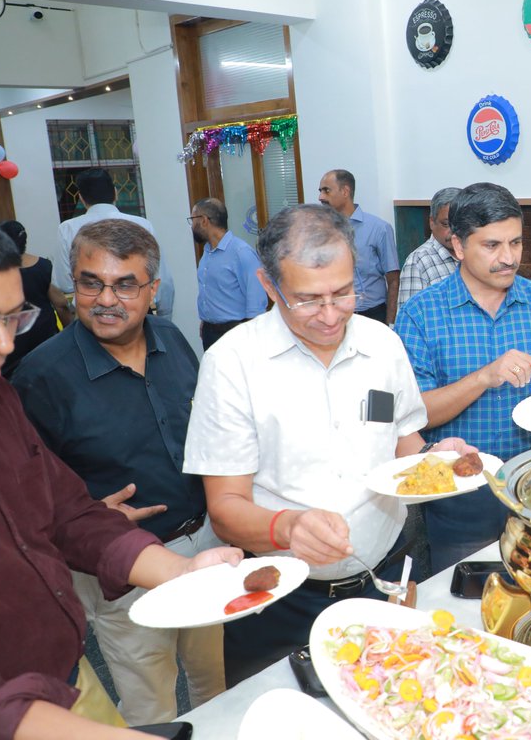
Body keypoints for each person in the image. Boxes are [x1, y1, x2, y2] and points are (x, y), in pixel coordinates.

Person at [0, 202, 240, 740]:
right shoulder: (34, 379)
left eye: (13, 318)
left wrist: (183, 573)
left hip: (63, 671)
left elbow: (64, 509)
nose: (3, 343)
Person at [182, 204, 472, 685]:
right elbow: (226, 508)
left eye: (343, 292)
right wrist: (290, 527)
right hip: (280, 598)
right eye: (310, 300)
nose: (331, 314)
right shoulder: (233, 362)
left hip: (384, 577)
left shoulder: (382, 345)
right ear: (269, 286)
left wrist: (432, 462)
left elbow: (404, 442)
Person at [12, 220, 224, 725]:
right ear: (73, 285)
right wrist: (82, 515)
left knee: (214, 681)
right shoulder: (41, 377)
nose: (106, 299)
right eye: (91, 282)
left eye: (125, 285)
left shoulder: (172, 340)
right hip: (123, 571)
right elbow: (21, 496)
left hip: (205, 543)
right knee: (151, 704)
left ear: (153, 290)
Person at [395, 183, 531, 571]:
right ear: (458, 246)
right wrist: (485, 376)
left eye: (515, 243)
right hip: (461, 495)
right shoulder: (420, 314)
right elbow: (419, 415)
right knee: (464, 608)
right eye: (492, 246)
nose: (508, 258)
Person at [54, 168, 176, 317]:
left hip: (94, 313)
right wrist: (164, 316)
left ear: (81, 198)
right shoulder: (143, 225)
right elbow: (162, 279)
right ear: (115, 192)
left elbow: (64, 283)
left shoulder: (67, 229)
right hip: (136, 309)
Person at [317, 169, 399, 324]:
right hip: (336, 315)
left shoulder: (378, 228)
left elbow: (393, 280)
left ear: (345, 191)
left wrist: (390, 324)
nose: (321, 197)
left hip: (374, 315)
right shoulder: (321, 230)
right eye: (320, 191)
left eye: (326, 191)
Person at [189, 197, 266, 350]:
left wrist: (253, 339)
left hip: (236, 333)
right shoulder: (207, 252)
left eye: (192, 220)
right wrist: (207, 322)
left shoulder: (241, 253)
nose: (191, 225)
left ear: (204, 220)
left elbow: (256, 301)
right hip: (210, 332)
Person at [0, 219, 71, 378]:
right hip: (44, 335)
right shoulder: (44, 266)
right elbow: (61, 304)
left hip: (13, 337)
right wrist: (69, 329)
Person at [397, 186, 461, 307]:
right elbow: (409, 318)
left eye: (460, 223)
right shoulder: (418, 262)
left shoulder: (472, 253)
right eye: (446, 224)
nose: (453, 231)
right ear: (432, 222)